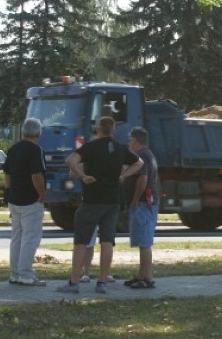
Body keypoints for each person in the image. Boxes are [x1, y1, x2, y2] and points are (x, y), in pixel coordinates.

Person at [57, 116, 143, 294]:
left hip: (92, 199)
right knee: (107, 241)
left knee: (81, 240)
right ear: (114, 130)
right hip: (113, 200)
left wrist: (82, 176)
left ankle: (74, 282)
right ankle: (102, 282)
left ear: (97, 129)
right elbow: (139, 163)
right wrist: (124, 175)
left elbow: (70, 161)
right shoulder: (120, 148)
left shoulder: (91, 147)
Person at [3, 118, 46, 287]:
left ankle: (14, 273)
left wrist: (8, 191)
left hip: (14, 198)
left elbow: (6, 173)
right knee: (31, 237)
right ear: (39, 133)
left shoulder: (13, 149)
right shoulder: (36, 150)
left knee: (17, 237)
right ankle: (26, 274)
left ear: (22, 132)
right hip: (30, 199)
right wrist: (42, 194)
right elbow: (36, 175)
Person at [123, 126, 160, 288]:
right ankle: (141, 275)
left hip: (143, 203)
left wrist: (135, 199)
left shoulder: (141, 156)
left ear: (136, 140)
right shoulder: (148, 154)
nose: (129, 142)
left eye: (130, 139)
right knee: (142, 240)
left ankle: (147, 278)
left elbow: (142, 179)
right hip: (147, 202)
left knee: (144, 242)